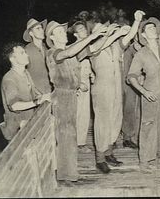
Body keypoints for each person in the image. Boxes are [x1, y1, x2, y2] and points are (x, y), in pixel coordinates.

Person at [45, 20, 108, 183]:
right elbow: (66, 55)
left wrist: (109, 35)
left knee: (70, 136)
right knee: (66, 136)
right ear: (51, 37)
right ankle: (66, 175)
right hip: (62, 96)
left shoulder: (69, 50)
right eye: (58, 32)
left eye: (63, 31)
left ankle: (69, 173)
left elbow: (92, 49)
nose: (63, 33)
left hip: (71, 95)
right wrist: (92, 35)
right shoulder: (53, 52)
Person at [89, 10, 145, 174]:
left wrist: (136, 21)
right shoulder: (93, 47)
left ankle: (109, 152)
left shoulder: (115, 45)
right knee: (102, 123)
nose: (105, 33)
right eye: (101, 31)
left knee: (115, 119)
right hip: (102, 89)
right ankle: (100, 159)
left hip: (116, 87)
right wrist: (114, 34)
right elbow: (101, 45)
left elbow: (128, 37)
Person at [128, 17, 160, 172]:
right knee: (148, 126)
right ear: (143, 35)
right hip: (151, 93)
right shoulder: (141, 53)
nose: (153, 29)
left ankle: (158, 153)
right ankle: (144, 161)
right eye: (148, 28)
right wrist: (144, 91)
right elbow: (131, 76)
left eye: (154, 27)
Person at [0, 42, 51, 141]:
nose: (27, 55)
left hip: (29, 123)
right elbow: (14, 106)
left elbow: (35, 93)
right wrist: (37, 102)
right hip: (18, 130)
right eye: (22, 53)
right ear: (12, 59)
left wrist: (46, 96)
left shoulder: (25, 73)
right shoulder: (9, 79)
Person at [69, 21, 96, 153]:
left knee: (85, 113)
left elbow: (86, 63)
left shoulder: (87, 46)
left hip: (86, 82)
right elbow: (71, 69)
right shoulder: (73, 48)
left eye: (84, 28)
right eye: (80, 29)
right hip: (78, 85)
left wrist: (91, 74)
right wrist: (79, 83)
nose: (84, 30)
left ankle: (81, 141)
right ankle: (77, 144)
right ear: (75, 34)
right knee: (78, 113)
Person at [121, 37, 143, 149]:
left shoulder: (137, 50)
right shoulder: (125, 51)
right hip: (123, 84)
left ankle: (130, 136)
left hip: (134, 85)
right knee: (124, 109)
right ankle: (120, 138)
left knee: (132, 110)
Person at [23, 18, 52, 94]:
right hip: (37, 95)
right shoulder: (26, 51)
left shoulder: (47, 48)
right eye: (38, 28)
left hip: (50, 92)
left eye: (42, 28)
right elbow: (23, 74)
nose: (42, 30)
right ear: (31, 33)